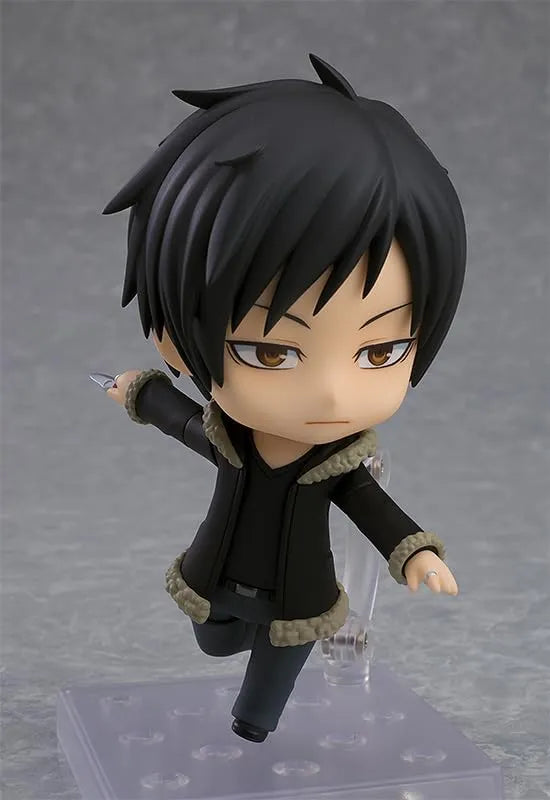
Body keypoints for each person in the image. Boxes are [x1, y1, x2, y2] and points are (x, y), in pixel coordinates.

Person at [102, 54, 465, 743]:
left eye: (380, 352)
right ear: (176, 338)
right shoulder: (229, 436)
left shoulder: (338, 465)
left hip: (302, 595)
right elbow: (182, 421)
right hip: (217, 575)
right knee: (215, 642)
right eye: (271, 353)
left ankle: (254, 725)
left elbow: (374, 508)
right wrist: (139, 393)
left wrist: (414, 553)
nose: (330, 393)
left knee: (263, 698)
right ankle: (238, 650)